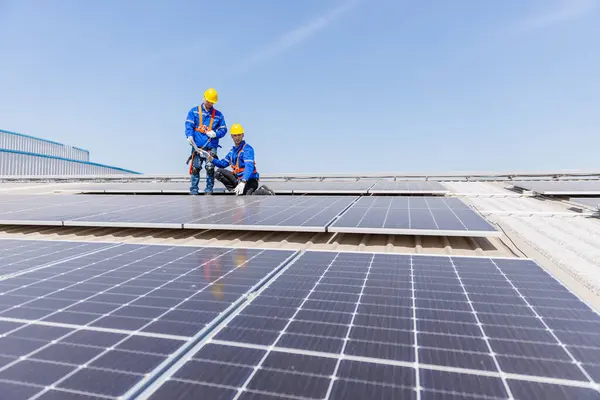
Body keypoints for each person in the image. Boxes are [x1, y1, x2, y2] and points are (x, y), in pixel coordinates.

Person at [207, 123, 274, 196]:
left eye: (239, 135)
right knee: (219, 172)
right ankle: (234, 190)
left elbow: (249, 166)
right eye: (235, 135)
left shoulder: (247, 149)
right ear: (232, 136)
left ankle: (263, 191)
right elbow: (222, 164)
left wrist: (243, 182)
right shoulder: (232, 152)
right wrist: (210, 158)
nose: (237, 138)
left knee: (247, 195)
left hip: (249, 180)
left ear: (243, 135)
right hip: (238, 179)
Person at [185, 88, 227, 195]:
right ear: (204, 98)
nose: (209, 103)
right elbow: (189, 125)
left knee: (210, 168)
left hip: (211, 146)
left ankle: (209, 190)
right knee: (196, 168)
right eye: (208, 101)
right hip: (197, 147)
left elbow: (224, 129)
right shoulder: (194, 111)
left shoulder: (218, 115)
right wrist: (189, 136)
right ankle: (194, 190)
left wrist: (215, 134)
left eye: (211, 102)